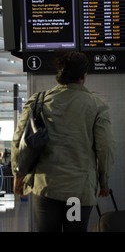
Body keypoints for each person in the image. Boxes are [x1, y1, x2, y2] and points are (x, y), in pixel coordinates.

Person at [11, 50, 116, 232]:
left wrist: (18, 175)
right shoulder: (97, 106)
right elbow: (105, 147)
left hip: (45, 187)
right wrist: (104, 181)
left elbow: (19, 140)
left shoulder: (38, 101)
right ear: (83, 76)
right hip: (79, 190)